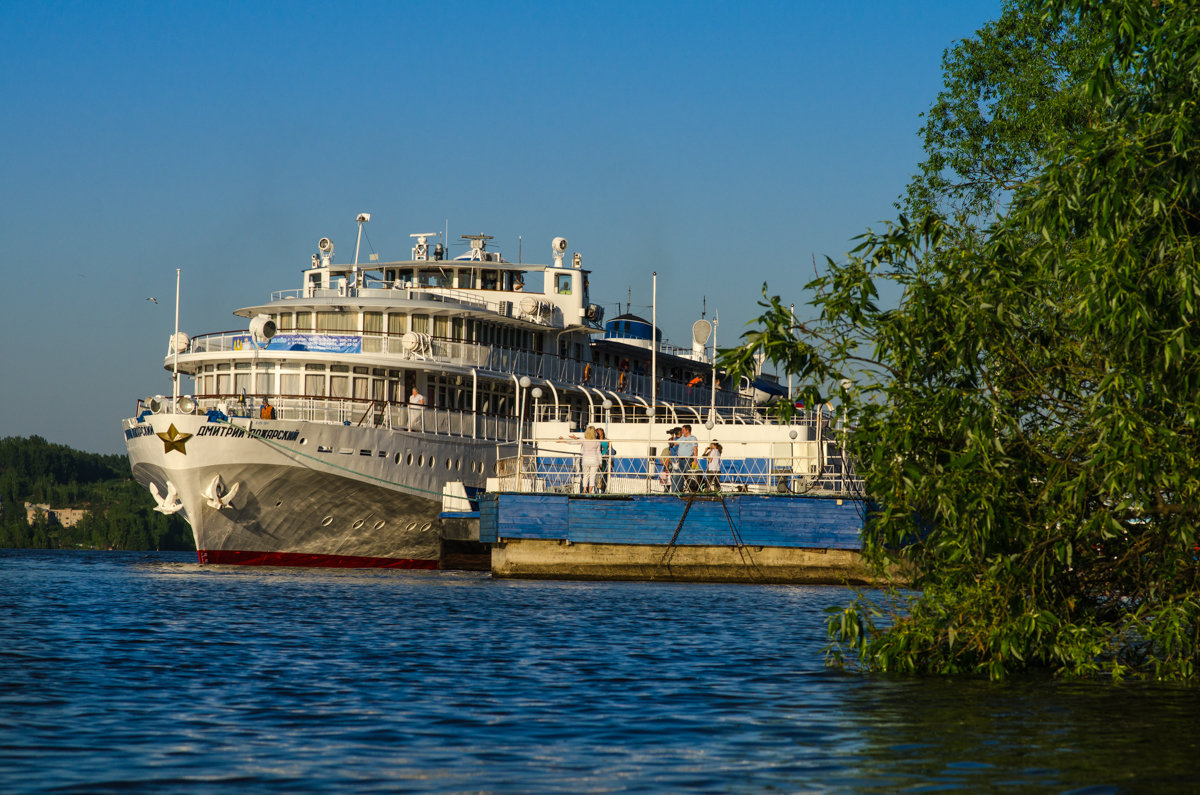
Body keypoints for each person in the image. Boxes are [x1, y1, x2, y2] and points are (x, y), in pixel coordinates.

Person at [560, 426, 602, 494]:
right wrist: (600, 462)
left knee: (585, 476)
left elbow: (573, 443)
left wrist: (564, 440)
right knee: (592, 476)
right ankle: (590, 491)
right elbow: (598, 453)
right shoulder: (597, 442)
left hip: (585, 460)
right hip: (594, 460)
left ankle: (584, 490)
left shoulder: (584, 440)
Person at [674, 424, 699, 492]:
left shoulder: (692, 438)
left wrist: (695, 460)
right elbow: (675, 443)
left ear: (687, 431)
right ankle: (679, 490)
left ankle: (692, 490)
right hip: (680, 459)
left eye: (683, 430)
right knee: (680, 475)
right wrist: (673, 435)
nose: (682, 431)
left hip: (687, 459)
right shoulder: (682, 438)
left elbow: (695, 449)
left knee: (689, 476)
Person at [596, 428, 615, 493]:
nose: (599, 433)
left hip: (605, 459)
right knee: (597, 475)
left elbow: (611, 449)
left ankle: (603, 491)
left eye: (600, 431)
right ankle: (597, 491)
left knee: (605, 475)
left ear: (602, 432)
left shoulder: (607, 440)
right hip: (597, 459)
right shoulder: (595, 440)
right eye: (598, 432)